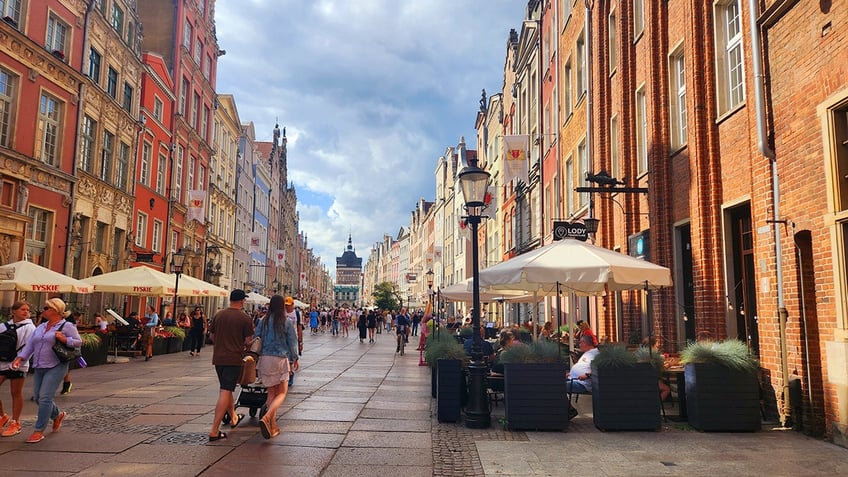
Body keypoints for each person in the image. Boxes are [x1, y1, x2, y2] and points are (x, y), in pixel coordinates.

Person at [11, 298, 81, 443]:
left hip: (56, 365)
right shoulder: (41, 327)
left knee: (44, 397)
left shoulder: (66, 326)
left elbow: (78, 341)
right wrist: (20, 358)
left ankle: (38, 431)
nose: (43, 310)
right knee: (37, 397)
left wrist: (64, 339)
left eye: (46, 308)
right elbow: (30, 344)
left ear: (55, 310)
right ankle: (57, 415)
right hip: (39, 365)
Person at [207, 289, 254, 442]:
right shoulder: (244, 318)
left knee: (227, 389)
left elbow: (212, 336)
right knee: (226, 390)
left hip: (218, 358)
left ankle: (233, 417)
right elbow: (248, 341)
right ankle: (214, 430)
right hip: (233, 359)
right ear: (241, 301)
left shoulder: (219, 315)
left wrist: (221, 344)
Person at [254, 295, 300, 439]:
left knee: (271, 393)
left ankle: (272, 425)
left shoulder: (263, 321)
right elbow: (292, 342)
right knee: (282, 392)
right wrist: (295, 358)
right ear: (282, 306)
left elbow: (257, 337)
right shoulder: (286, 322)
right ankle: (267, 417)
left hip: (265, 358)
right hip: (280, 358)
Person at [0, 301, 35, 437]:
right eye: (22, 309)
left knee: (15, 392)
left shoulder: (30, 327)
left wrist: (21, 360)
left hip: (19, 363)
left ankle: (16, 422)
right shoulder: (3, 326)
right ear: (14, 311)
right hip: (3, 362)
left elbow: (30, 347)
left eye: (27, 310)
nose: (26, 312)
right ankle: (2, 416)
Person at [566, 335, 599, 419]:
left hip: (583, 384)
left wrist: (587, 375)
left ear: (585, 343)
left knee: (558, 386)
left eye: (580, 342)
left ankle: (570, 410)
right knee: (553, 383)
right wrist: (570, 373)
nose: (579, 345)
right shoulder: (587, 353)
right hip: (574, 379)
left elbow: (599, 368)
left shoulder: (595, 354)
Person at [283, 297, 303, 387]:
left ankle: (291, 376)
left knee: (292, 357)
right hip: (283, 338)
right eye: (285, 305)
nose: (287, 307)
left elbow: (299, 327)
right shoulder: (282, 313)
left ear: (292, 305)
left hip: (293, 338)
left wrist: (300, 342)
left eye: (288, 305)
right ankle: (286, 375)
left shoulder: (297, 314)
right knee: (284, 357)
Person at [60, 311, 81, 395]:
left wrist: (64, 339)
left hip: (66, 349)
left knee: (66, 369)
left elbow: (78, 341)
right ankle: (66, 385)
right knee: (65, 369)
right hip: (63, 349)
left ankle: (67, 385)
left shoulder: (68, 325)